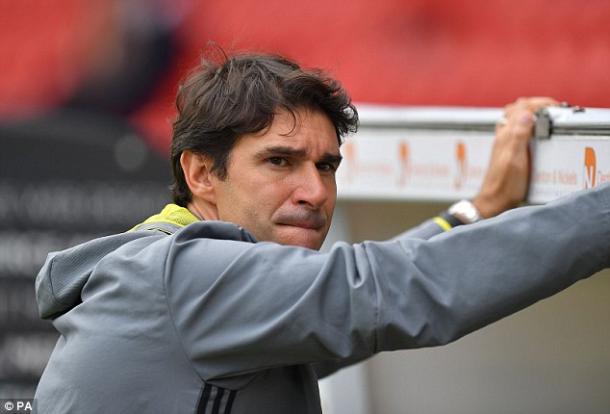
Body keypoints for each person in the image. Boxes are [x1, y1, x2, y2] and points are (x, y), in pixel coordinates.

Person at [33, 53, 609, 414]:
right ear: (202, 173)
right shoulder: (190, 273)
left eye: (327, 165)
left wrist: (477, 210)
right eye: (280, 162)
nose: (316, 191)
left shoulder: (173, 270)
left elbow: (363, 292)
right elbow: (392, 289)